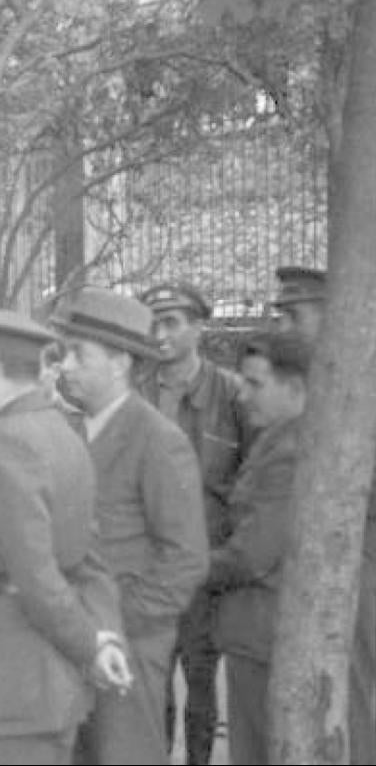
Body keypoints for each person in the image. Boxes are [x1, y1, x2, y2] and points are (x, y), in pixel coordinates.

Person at [0, 306, 133, 765]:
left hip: (4, 681)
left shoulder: (3, 443)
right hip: (38, 681)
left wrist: (91, 646)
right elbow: (90, 562)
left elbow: (35, 576)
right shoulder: (61, 434)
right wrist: (103, 638)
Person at [51, 286, 209, 765]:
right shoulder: (69, 431)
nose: (64, 366)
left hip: (130, 645)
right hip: (71, 642)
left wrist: (116, 624)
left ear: (120, 362)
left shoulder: (158, 439)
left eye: (79, 354)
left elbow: (186, 560)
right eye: (63, 353)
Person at [137, 281, 248, 766]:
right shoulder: (135, 391)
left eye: (171, 323)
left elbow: (251, 480)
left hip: (207, 565)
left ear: (198, 327)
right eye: (153, 324)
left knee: (201, 682)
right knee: (150, 680)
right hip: (148, 563)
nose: (159, 335)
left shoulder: (233, 394)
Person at [270, 265, 374, 765]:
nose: (281, 328)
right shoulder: (304, 390)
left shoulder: (362, 387)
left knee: (356, 698)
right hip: (314, 573)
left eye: (294, 316)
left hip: (361, 569)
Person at [208, 332, 309, 765]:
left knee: (255, 751)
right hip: (258, 629)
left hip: (264, 632)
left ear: (295, 388)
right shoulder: (273, 441)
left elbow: (251, 555)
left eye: (255, 384)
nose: (242, 395)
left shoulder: (290, 452)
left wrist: (184, 567)